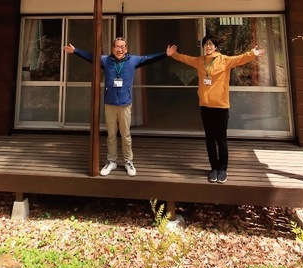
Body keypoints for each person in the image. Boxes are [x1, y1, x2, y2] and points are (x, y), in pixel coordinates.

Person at [64, 36, 171, 177]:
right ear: (113, 48)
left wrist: (165, 54)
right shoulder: (106, 60)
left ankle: (128, 161)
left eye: (122, 47)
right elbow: (91, 57)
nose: (120, 49)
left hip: (125, 104)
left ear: (126, 48)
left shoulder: (133, 60)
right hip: (110, 104)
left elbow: (148, 59)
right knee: (111, 135)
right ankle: (111, 161)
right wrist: (76, 51)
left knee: (126, 135)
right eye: (117, 46)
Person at [167, 35, 264, 184]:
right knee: (209, 140)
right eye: (206, 44)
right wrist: (174, 55)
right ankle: (213, 168)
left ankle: (223, 169)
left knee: (221, 140)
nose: (208, 46)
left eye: (211, 44)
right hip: (205, 106)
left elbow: (239, 59)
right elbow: (186, 59)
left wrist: (252, 54)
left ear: (216, 47)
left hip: (220, 107)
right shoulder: (200, 61)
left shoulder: (224, 60)